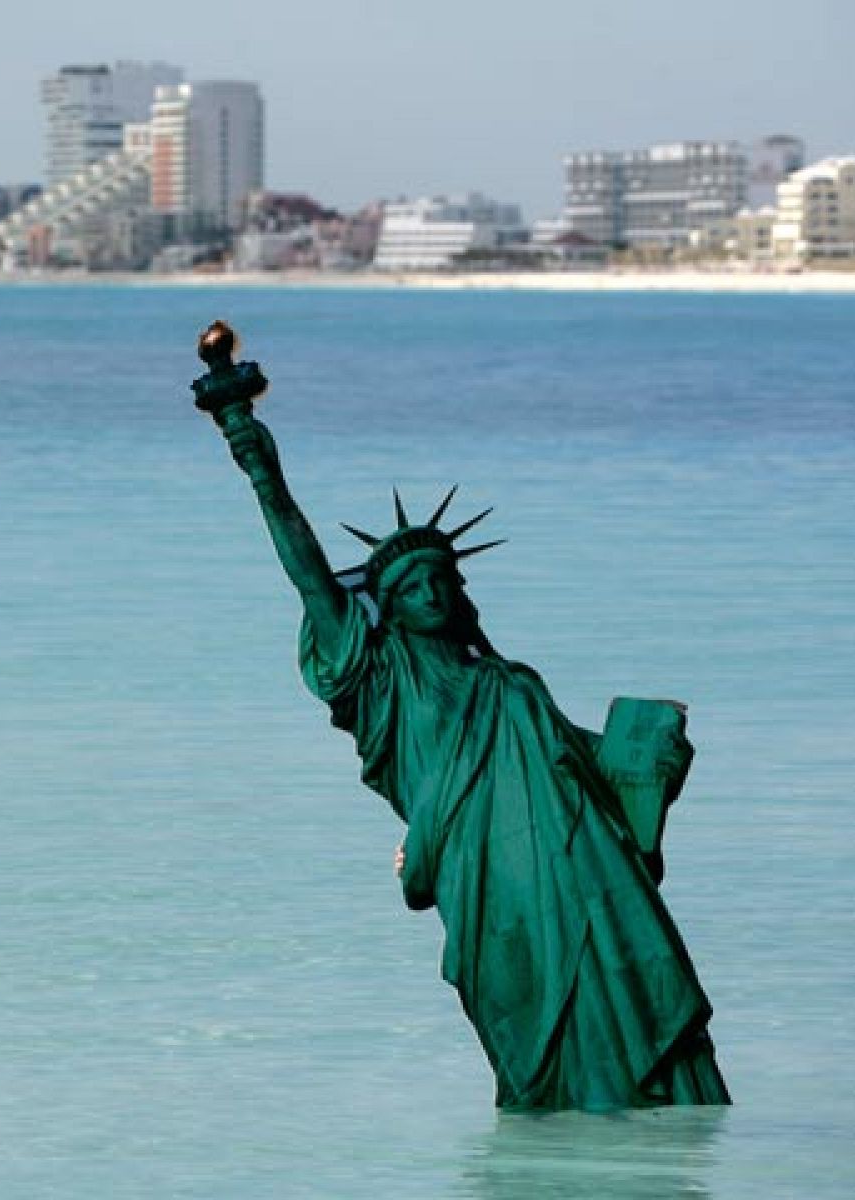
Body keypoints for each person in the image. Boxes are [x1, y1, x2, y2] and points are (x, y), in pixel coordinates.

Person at [220, 413, 730, 1111]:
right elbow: (311, 581)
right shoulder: (381, 684)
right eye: (409, 589)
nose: (430, 595)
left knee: (621, 1012)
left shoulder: (510, 684)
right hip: (481, 881)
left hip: (577, 871)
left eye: (440, 582)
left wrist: (650, 740)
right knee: (522, 1041)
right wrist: (261, 472)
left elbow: (588, 770)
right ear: (388, 609)